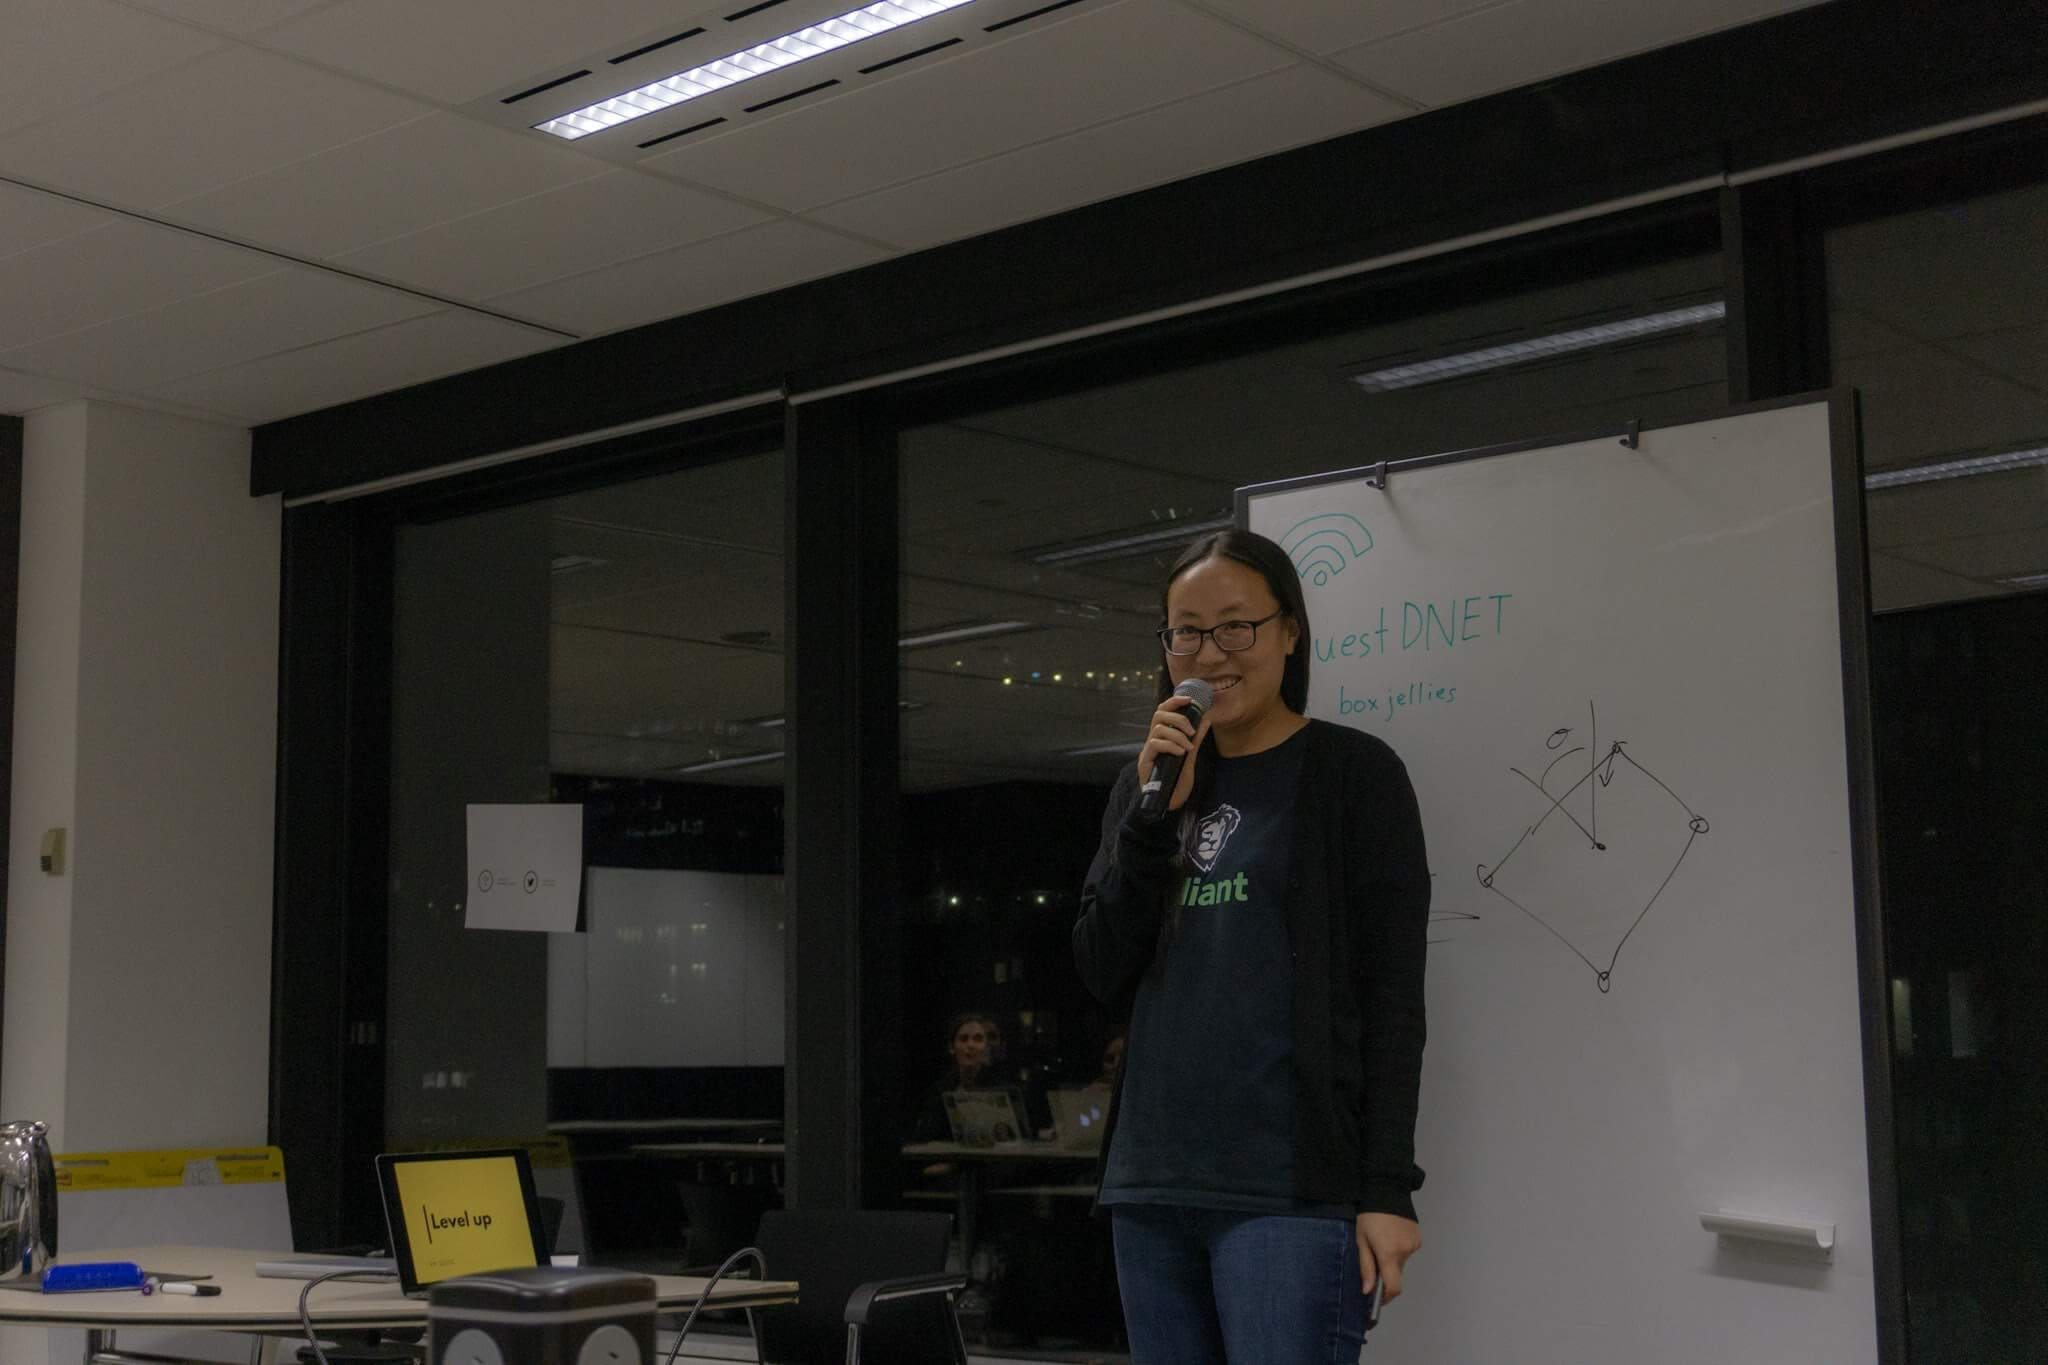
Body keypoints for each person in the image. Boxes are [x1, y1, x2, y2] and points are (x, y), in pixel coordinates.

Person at [1072, 528, 1431, 1365]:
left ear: (1290, 630)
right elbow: (1099, 966)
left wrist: (1387, 1189)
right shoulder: (1144, 784)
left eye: (1237, 625)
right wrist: (1154, 819)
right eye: (1186, 630)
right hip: (1152, 1181)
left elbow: (1391, 1001)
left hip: (1289, 1189)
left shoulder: (1355, 774)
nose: (1210, 652)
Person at [907, 1011, 1016, 1144]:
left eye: (978, 1039)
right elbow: (923, 1137)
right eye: (963, 1039)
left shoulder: (1003, 1091)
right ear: (952, 1047)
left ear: (986, 1047)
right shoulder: (940, 1091)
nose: (970, 1045)